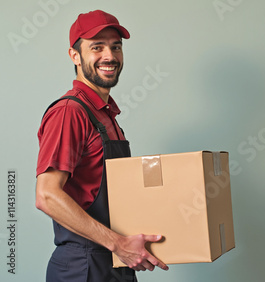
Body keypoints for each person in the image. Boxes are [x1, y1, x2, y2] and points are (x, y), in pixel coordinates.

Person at [35, 10, 168, 281]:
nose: (109, 56)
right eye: (97, 47)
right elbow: (46, 195)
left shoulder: (107, 115)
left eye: (116, 47)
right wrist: (118, 244)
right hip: (82, 267)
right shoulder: (70, 112)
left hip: (115, 264)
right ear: (75, 56)